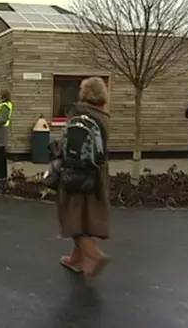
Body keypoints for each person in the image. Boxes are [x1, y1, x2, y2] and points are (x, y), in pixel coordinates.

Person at [56, 77, 111, 277]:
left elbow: (65, 146)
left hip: (75, 173)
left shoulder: (78, 114)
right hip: (97, 174)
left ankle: (93, 255)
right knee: (86, 216)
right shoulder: (103, 116)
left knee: (71, 216)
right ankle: (76, 259)